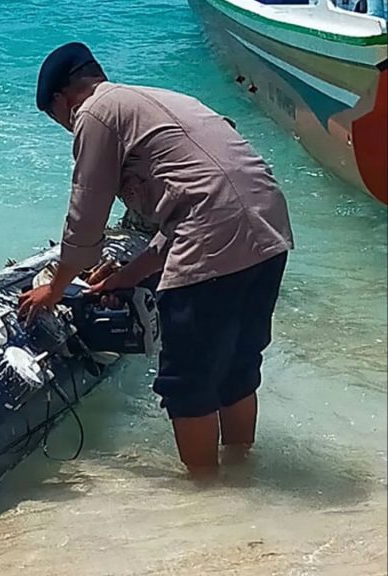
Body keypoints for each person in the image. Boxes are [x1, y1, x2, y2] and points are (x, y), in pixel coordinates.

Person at [18, 42, 293, 479]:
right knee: (238, 368)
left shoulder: (94, 112)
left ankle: (205, 495)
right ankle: (244, 476)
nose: (65, 128)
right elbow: (195, 202)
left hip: (214, 235)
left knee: (188, 384)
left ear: (61, 99)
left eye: (56, 120)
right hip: (268, 229)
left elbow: (86, 213)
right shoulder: (162, 101)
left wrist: (56, 285)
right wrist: (125, 276)